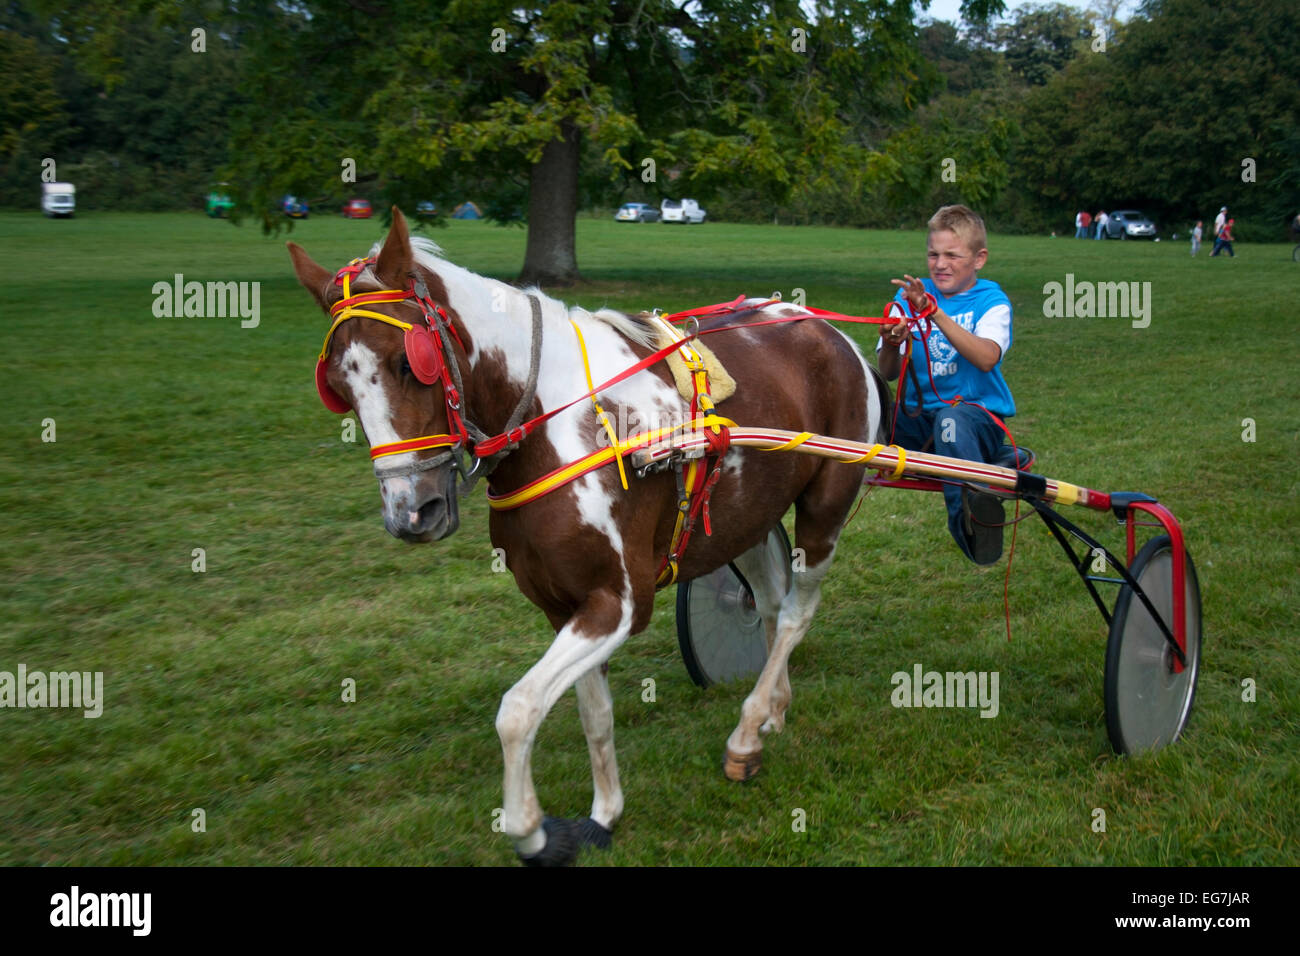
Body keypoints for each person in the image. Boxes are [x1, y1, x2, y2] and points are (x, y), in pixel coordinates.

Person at [878, 205, 1019, 566]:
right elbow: (888, 372)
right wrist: (893, 342)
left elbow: (987, 357)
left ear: (979, 259)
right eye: (933, 254)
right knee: (863, 409)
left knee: (951, 423)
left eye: (952, 255)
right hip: (919, 421)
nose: (940, 264)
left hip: (975, 419)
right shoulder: (903, 301)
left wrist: (933, 313)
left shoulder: (992, 302)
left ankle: (974, 525)